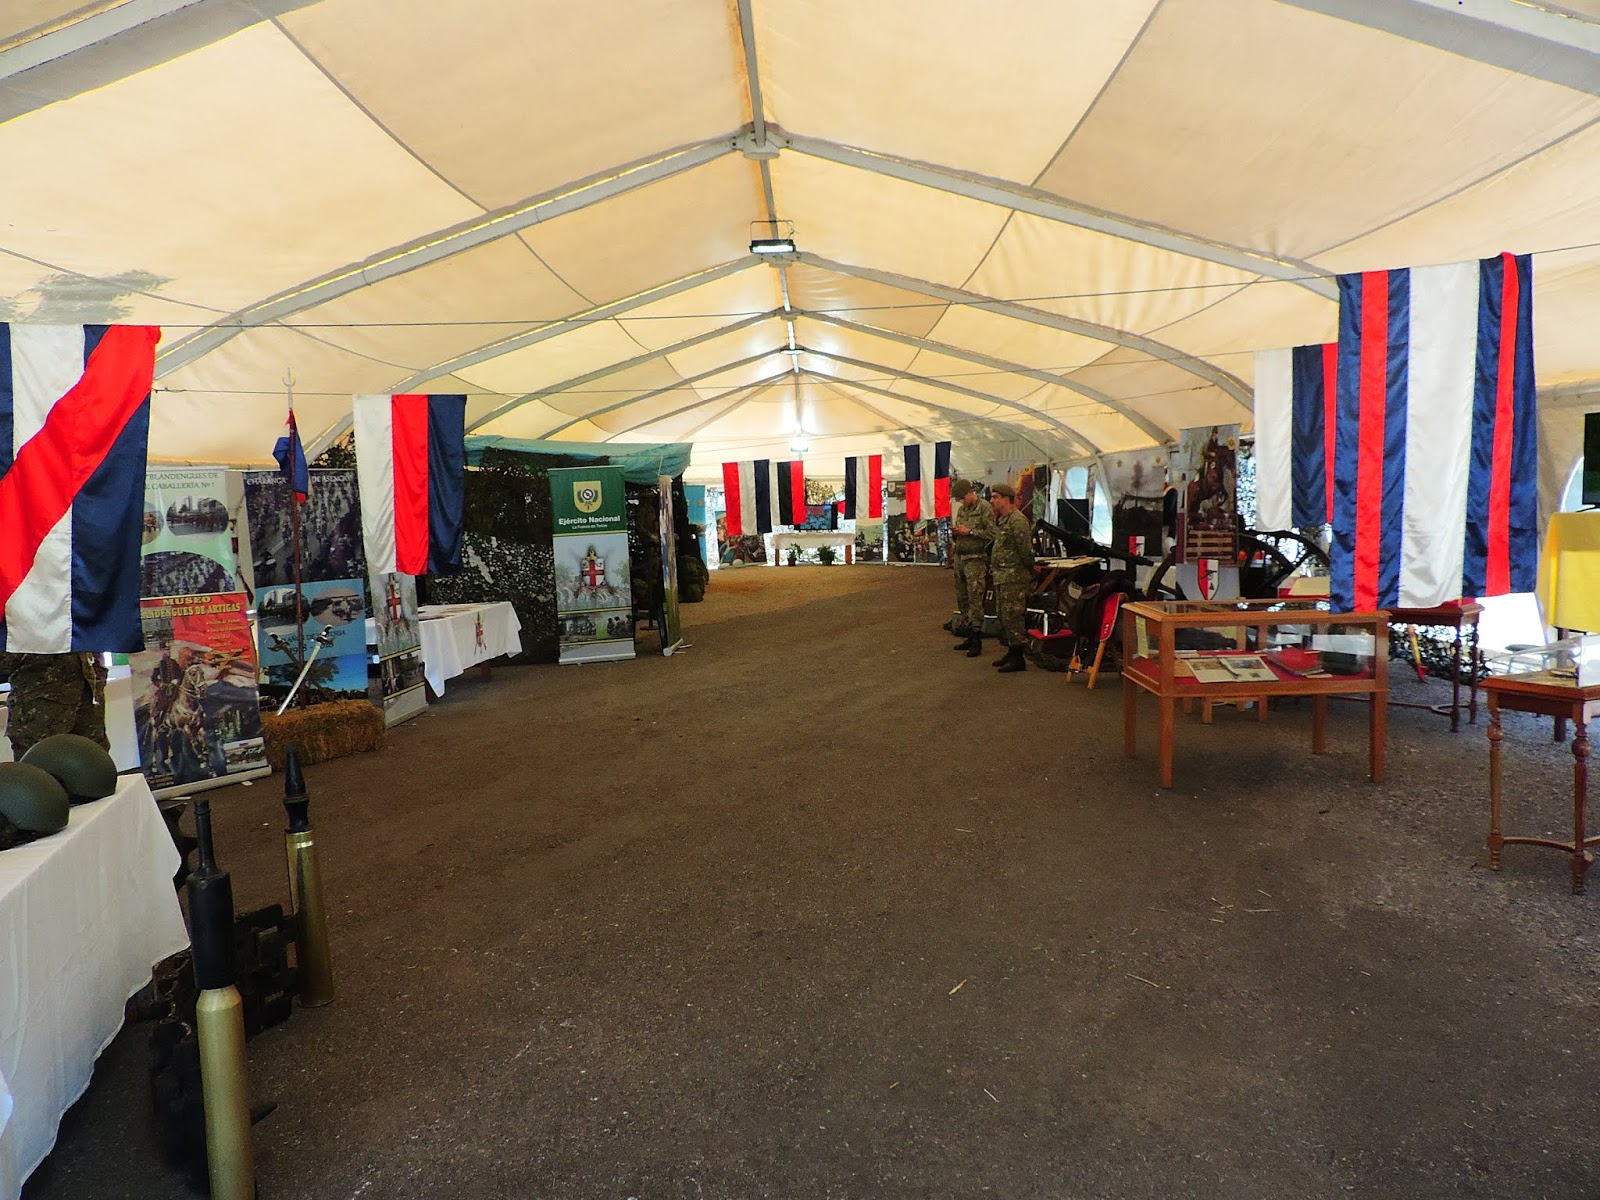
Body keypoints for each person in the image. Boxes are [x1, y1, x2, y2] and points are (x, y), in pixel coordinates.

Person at [0, 652, 110, 759]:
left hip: (89, 704)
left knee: (95, 765)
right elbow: (6, 657)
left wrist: (99, 677)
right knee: (38, 766)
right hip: (40, 712)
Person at [987, 483, 1035, 673]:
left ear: (1007, 499)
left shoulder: (1017, 521)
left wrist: (1027, 570)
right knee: (1003, 615)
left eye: (995, 497)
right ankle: (1011, 651)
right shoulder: (1003, 520)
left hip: (1014, 577)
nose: (992, 501)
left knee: (1013, 615)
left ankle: (1018, 657)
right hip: (1002, 576)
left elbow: (1026, 550)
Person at [948, 478, 996, 657]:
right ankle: (968, 633)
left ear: (970, 493)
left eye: (962, 498)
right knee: (963, 598)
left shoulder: (984, 508)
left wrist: (970, 531)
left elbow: (992, 533)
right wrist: (957, 532)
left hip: (975, 559)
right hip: (960, 557)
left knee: (975, 598)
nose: (961, 502)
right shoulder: (962, 510)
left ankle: (977, 638)